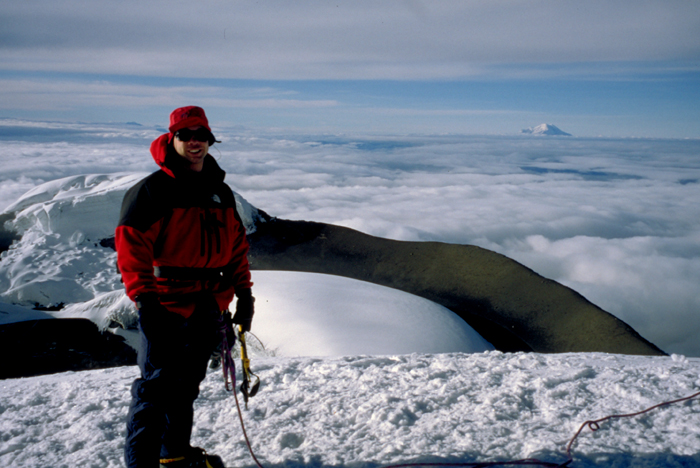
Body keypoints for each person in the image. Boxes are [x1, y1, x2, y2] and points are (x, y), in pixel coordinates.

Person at [116, 106, 255, 468]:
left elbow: (237, 246)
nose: (195, 142)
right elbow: (132, 250)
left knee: (185, 386)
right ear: (171, 138)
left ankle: (173, 455)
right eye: (186, 135)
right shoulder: (153, 191)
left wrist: (244, 295)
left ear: (210, 141)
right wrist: (146, 304)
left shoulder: (219, 192)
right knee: (156, 389)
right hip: (166, 304)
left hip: (209, 303)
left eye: (202, 136)